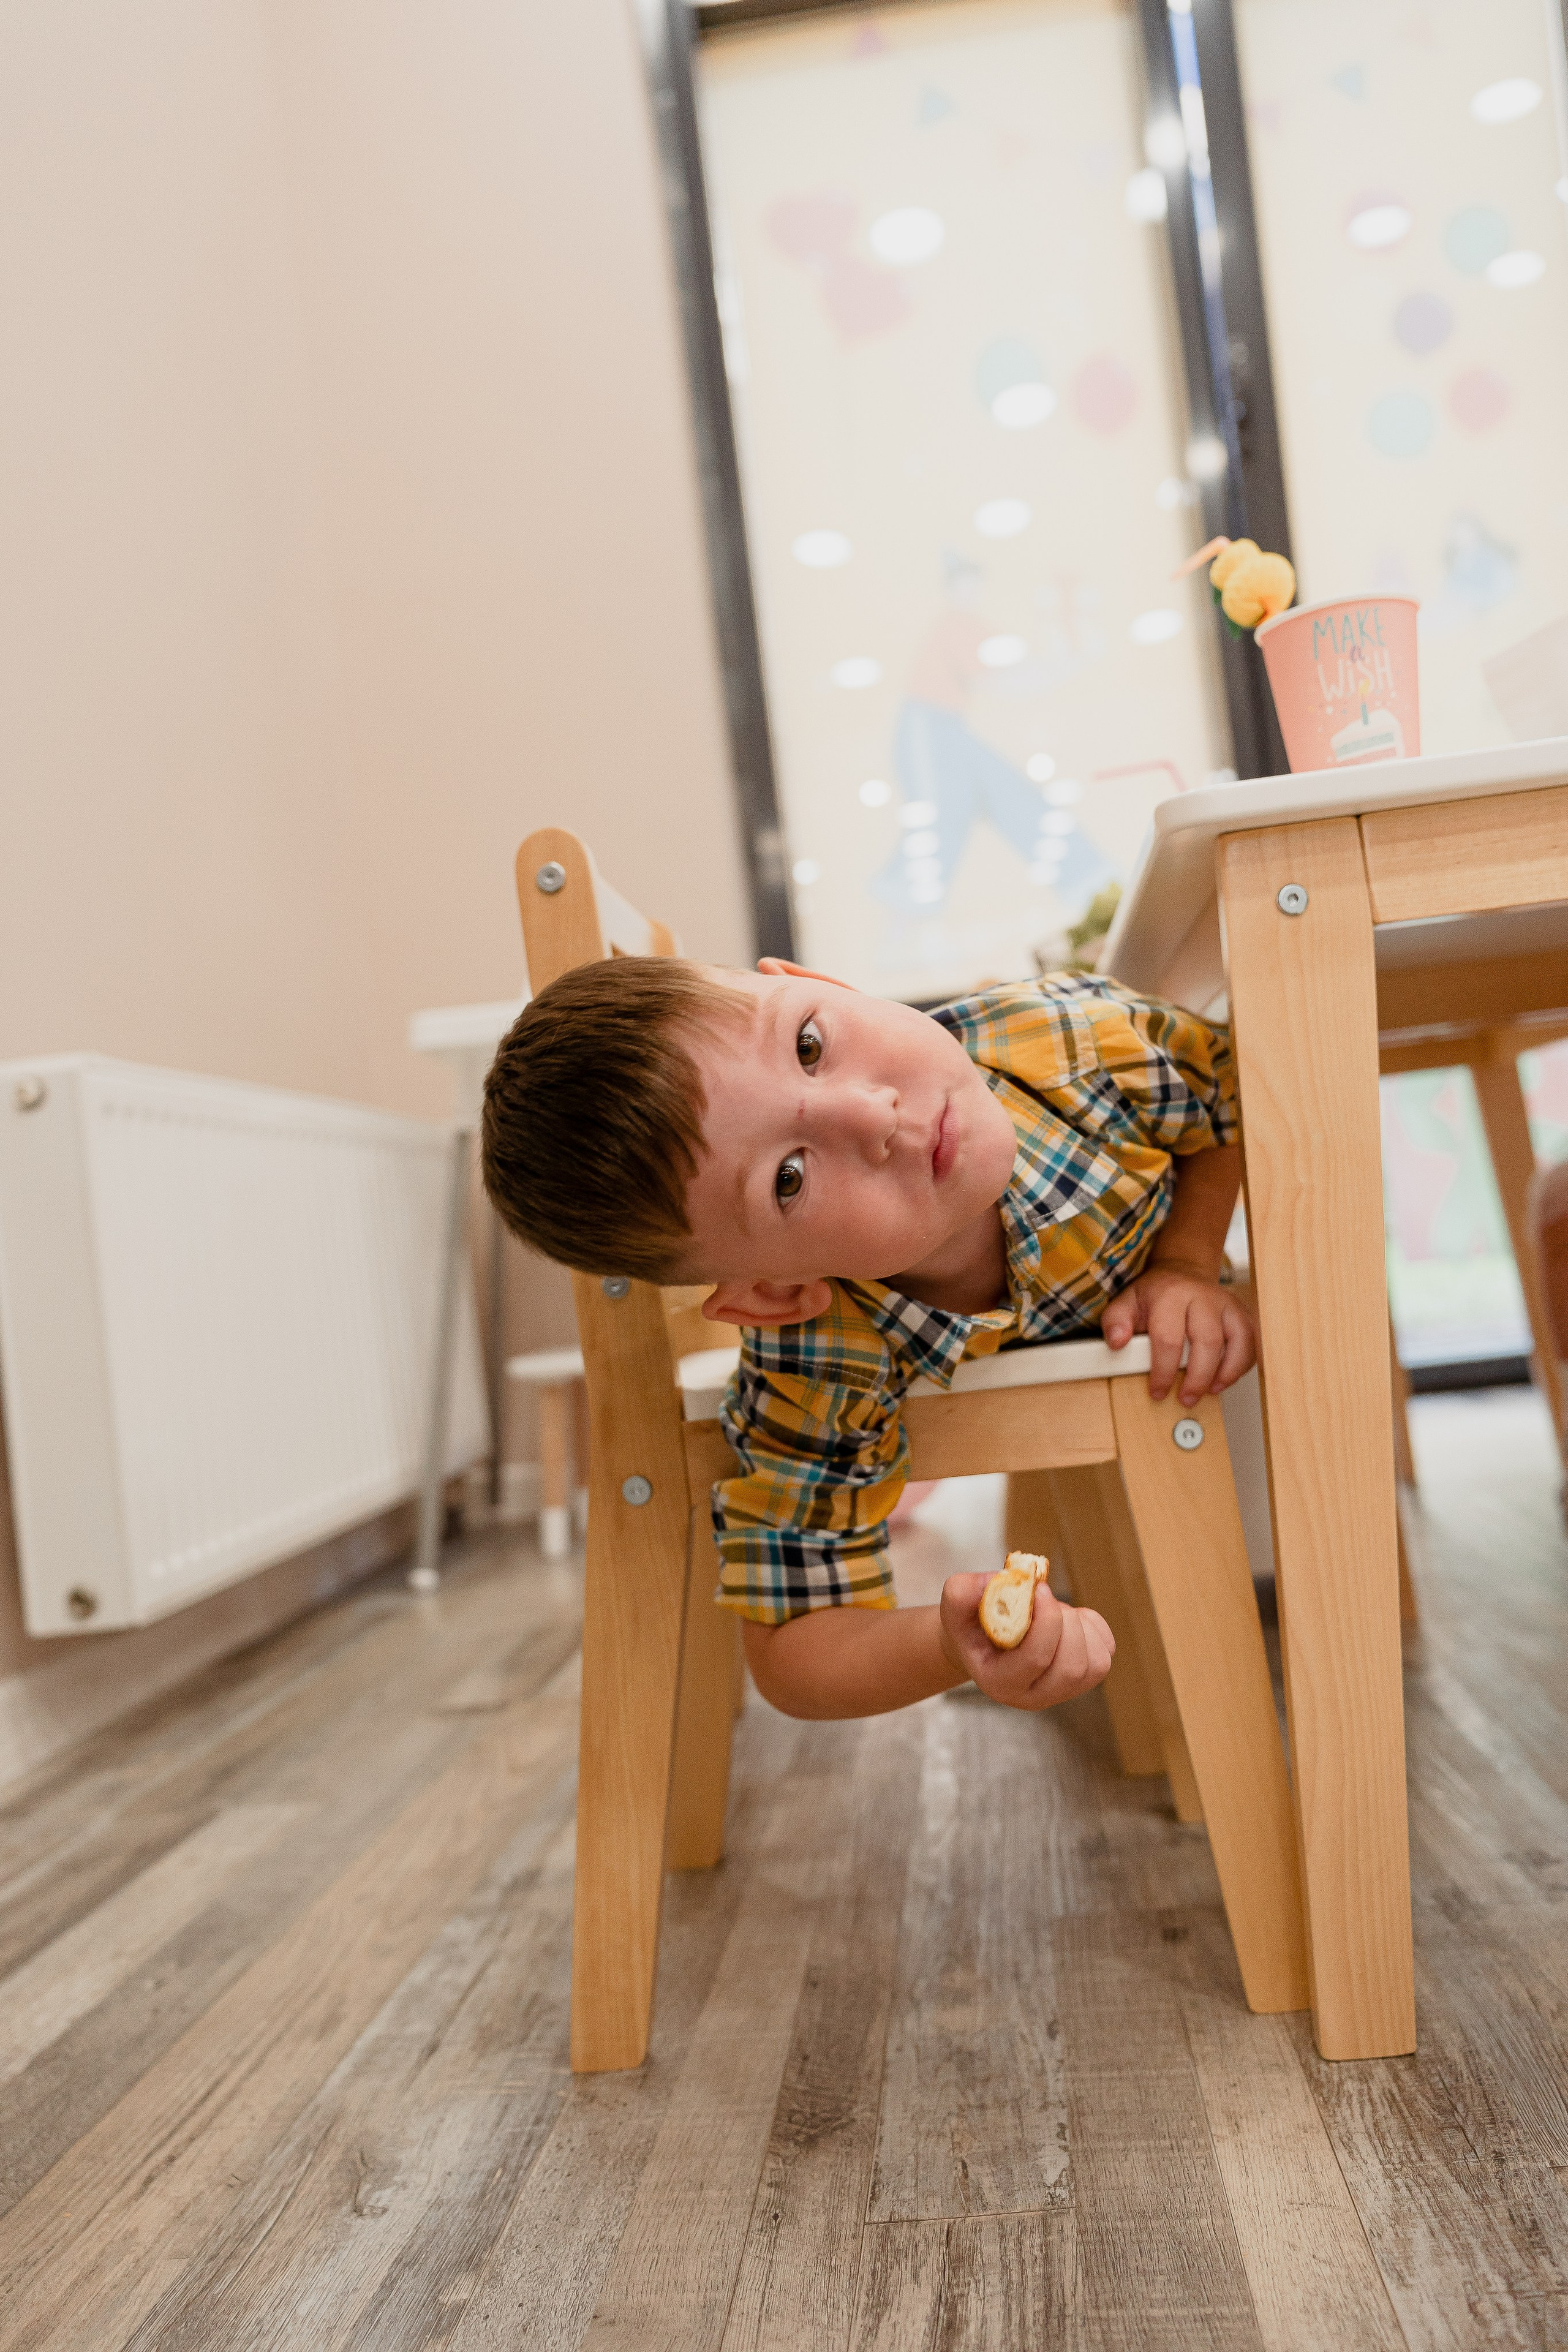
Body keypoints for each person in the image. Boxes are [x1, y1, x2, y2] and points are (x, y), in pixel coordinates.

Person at [482, 956, 1256, 1722]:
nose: (872, 1114)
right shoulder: (815, 1359)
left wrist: (1187, 1260)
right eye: (788, 1178)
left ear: (820, 981)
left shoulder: (1066, 1041)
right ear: (774, 1294)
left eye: (809, 1045)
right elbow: (794, 1651)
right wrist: (950, 1643)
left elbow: (1235, 1086)